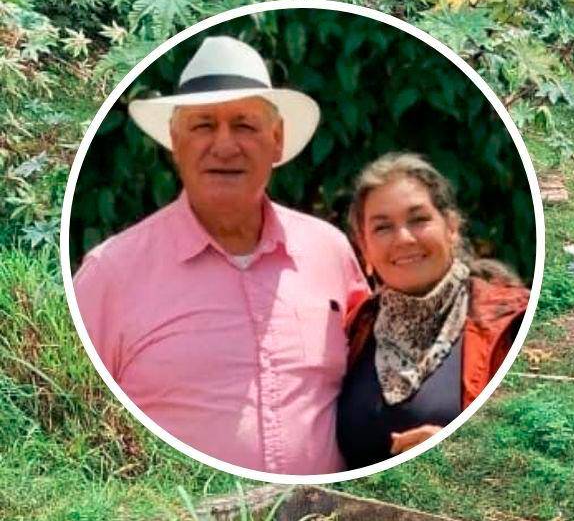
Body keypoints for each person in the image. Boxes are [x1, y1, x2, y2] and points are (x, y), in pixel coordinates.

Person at [73, 36, 368, 474]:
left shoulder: (330, 251)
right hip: (176, 516)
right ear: (175, 143)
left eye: (245, 125)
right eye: (203, 125)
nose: (225, 145)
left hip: (325, 515)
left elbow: (374, 379)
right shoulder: (110, 274)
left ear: (277, 141)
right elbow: (67, 422)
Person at [337, 153, 529, 468]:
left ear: (451, 227)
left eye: (418, 220)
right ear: (364, 246)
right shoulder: (354, 330)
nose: (403, 238)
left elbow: (547, 448)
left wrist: (461, 454)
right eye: (383, 227)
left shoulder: (513, 322)